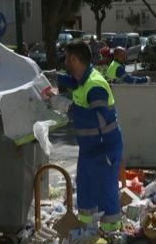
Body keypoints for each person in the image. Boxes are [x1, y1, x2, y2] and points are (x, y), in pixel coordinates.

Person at [45, 40, 124, 232]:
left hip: (105, 147)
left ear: (74, 59)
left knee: (106, 193)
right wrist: (51, 78)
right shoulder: (82, 80)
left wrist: (67, 107)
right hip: (90, 148)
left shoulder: (95, 85)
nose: (65, 62)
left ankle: (111, 234)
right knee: (86, 192)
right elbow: (71, 81)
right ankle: (87, 232)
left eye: (66, 59)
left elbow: (98, 119)